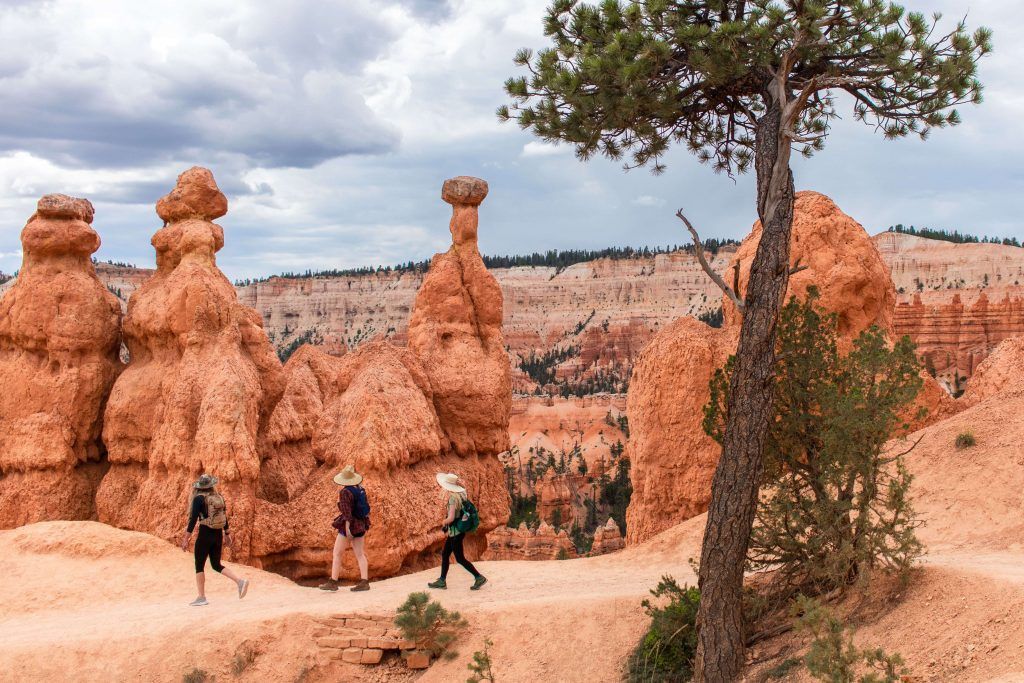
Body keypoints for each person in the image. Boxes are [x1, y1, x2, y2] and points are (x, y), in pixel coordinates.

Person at [179, 474, 249, 606]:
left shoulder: (198, 499)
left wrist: (186, 539)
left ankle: (201, 597)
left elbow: (193, 520)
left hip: (205, 534)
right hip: (217, 534)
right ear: (211, 485)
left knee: (199, 565)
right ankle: (240, 582)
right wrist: (227, 533)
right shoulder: (219, 497)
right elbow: (224, 516)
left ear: (199, 487)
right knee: (216, 564)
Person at [427, 473, 487, 590]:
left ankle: (479, 577)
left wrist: (444, 522)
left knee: (460, 558)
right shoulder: (461, 494)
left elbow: (451, 518)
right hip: (456, 532)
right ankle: (442, 580)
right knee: (445, 554)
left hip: (455, 533)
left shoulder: (453, 498)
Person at [319, 464, 371, 592]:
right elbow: (365, 509)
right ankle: (365, 582)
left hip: (350, 526)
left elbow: (347, 513)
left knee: (337, 553)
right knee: (360, 554)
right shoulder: (360, 489)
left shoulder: (345, 492)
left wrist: (348, 529)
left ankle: (333, 582)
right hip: (361, 525)